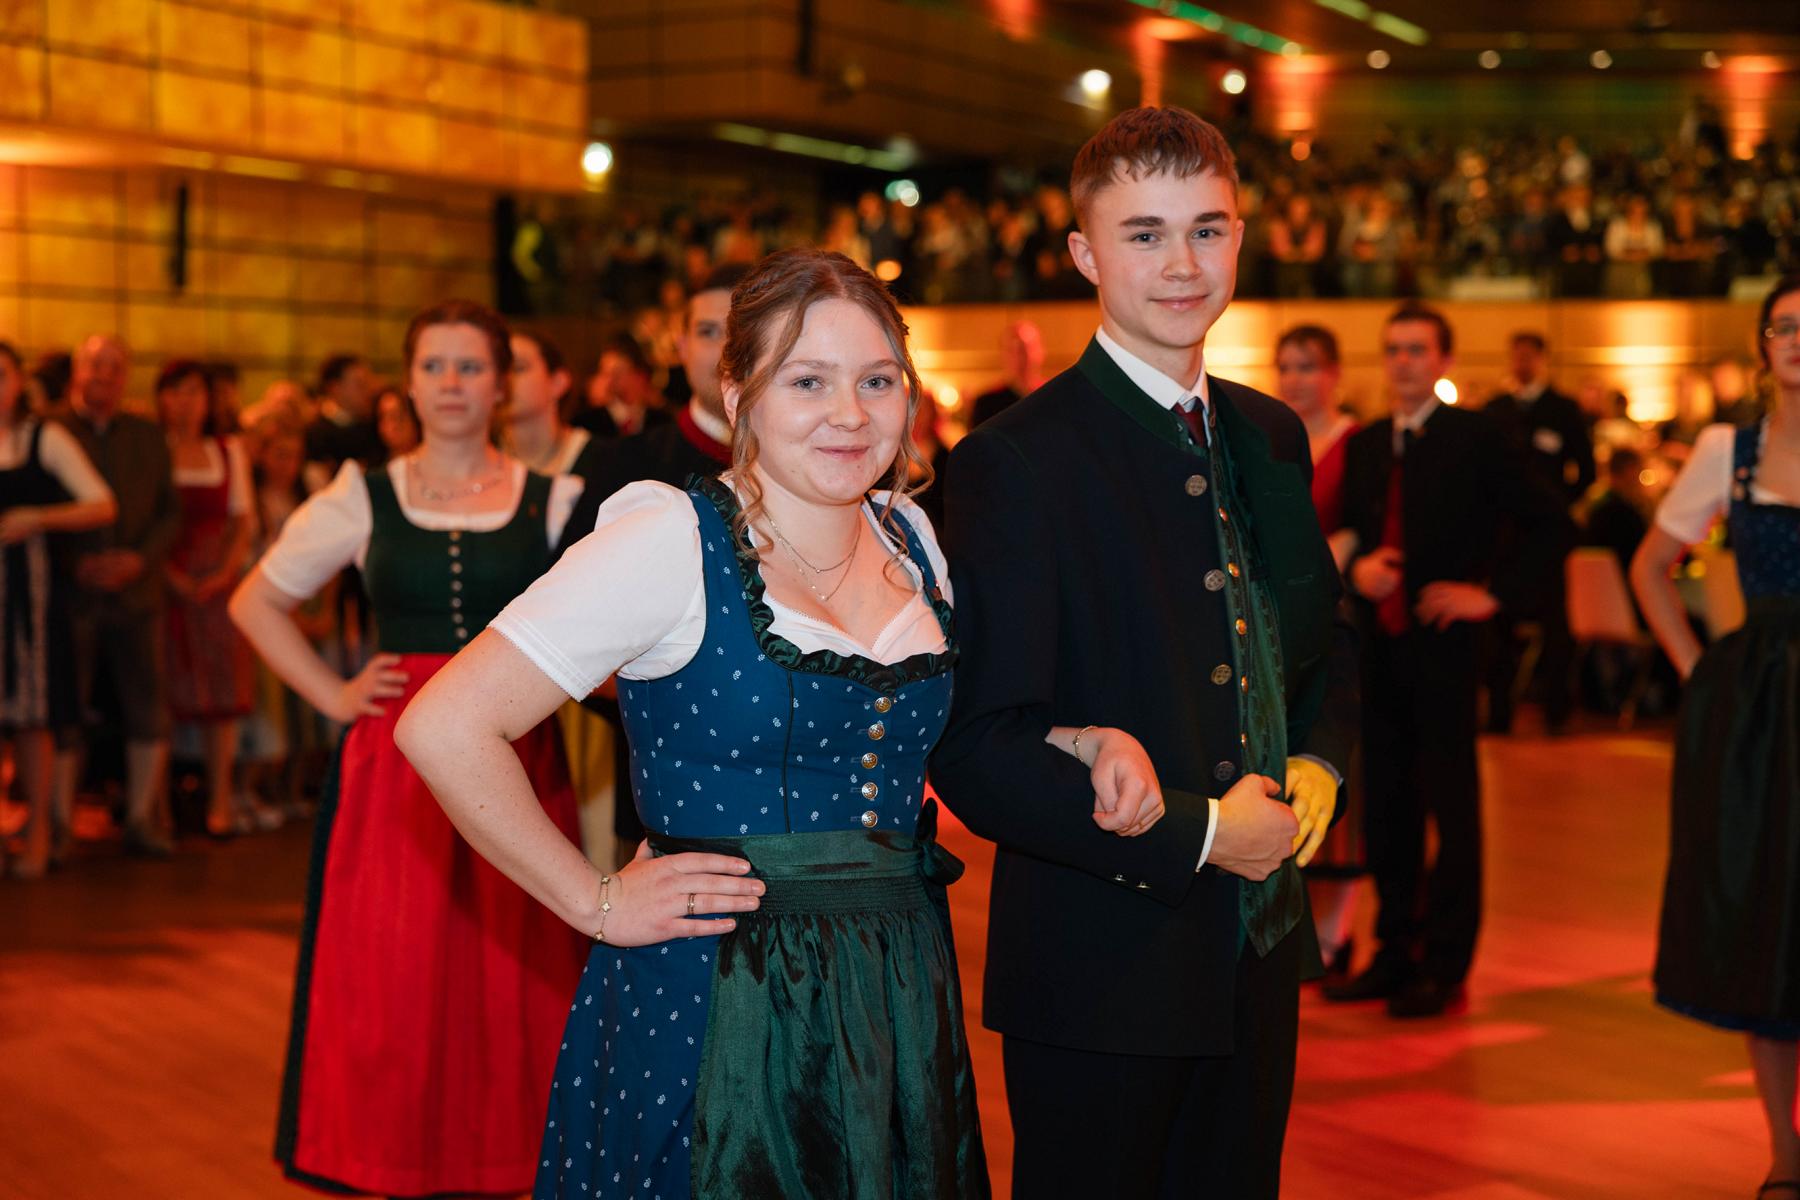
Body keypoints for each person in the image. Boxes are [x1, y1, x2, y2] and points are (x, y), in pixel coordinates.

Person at [395, 248, 988, 1199]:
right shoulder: (669, 537)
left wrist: (1083, 743)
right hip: (718, 991)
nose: (850, 413)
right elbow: (445, 724)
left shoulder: (909, 535)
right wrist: (594, 901)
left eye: (878, 381)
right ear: (738, 392)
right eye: (808, 381)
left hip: (895, 980)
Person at [933, 106, 1356, 1198]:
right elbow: (980, 748)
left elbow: (1320, 637)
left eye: (1207, 230)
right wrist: (1205, 833)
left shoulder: (1270, 432)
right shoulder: (1014, 462)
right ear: (1084, 254)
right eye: (1145, 234)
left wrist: (1320, 756)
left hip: (1258, 956)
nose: (1182, 264)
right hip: (1100, 967)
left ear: (1241, 238)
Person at [229, 300, 589, 1197]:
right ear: (410, 382)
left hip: (515, 747)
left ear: (501, 384)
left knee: (522, 962)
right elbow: (254, 601)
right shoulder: (363, 494)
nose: (452, 384)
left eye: (471, 366)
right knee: (397, 967)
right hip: (397, 759)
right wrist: (335, 695)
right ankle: (391, 1155)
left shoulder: (556, 499)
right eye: (434, 366)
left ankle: (516, 1155)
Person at [1327, 304, 1567, 1018]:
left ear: (1443, 361)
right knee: (1388, 806)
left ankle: (1445, 962)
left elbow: (1552, 523)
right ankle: (1393, 951)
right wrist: (1358, 570)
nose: (1403, 362)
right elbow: (1352, 533)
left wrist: (1490, 596)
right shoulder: (1369, 443)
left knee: (1451, 809)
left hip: (1448, 651)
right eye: (1393, 350)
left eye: (1416, 350)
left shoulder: (1477, 437)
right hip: (1380, 650)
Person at [1630, 276, 1800, 1200]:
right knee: (1767, 919)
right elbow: (1652, 567)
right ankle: (1786, 1149)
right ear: (1763, 343)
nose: (1798, 339)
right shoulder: (1728, 450)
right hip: (1763, 711)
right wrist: (1699, 671)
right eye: (1785, 326)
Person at [555, 264, 748, 866]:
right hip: (657, 784)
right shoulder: (627, 463)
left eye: (744, 329)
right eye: (709, 331)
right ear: (680, 345)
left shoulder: (816, 463)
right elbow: (564, 620)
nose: (726, 348)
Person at [52, 334, 181, 858]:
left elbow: (170, 512)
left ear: (126, 377)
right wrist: (74, 563)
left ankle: (142, 819)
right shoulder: (52, 430)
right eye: (94, 364)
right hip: (70, 595)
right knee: (64, 711)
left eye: (114, 366)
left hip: (137, 594)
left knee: (148, 706)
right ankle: (58, 824)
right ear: (76, 371)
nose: (103, 375)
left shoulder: (147, 435)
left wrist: (138, 560)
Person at [0, 341, 116, 878]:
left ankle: (41, 835)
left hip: (28, 596)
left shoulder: (42, 437)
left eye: (2, 375)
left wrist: (38, 519)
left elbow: (102, 503)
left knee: (32, 716)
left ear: (19, 381)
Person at [1274, 323, 1364, 978]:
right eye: (1286, 367)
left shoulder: (1355, 443)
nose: (1295, 379)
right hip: (1281, 618)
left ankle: (1340, 928)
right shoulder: (1269, 436)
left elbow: (1361, 526)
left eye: (1307, 366)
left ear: (1333, 372)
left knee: (1336, 755)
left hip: (1339, 609)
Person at [156, 360, 257, 838]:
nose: (186, 402)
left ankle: (220, 801)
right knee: (162, 689)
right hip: (164, 579)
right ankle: (158, 806)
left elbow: (243, 520)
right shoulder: (153, 450)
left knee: (223, 690)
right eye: (176, 391)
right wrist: (170, 575)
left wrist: (224, 574)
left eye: (195, 392)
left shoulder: (227, 450)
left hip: (217, 581)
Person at [1483, 331, 1595, 735]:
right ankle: (1498, 713)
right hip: (1504, 533)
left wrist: (1559, 504)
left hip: (1548, 532)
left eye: (1529, 356)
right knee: (1497, 622)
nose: (1522, 363)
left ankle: (1556, 711)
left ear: (1542, 359)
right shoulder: (1497, 409)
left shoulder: (1562, 409)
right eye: (1517, 356)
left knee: (1555, 624)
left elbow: (1586, 469)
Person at [507, 330, 593, 477]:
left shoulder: (603, 460)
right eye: (499, 369)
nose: (505, 379)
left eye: (518, 368)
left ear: (558, 382)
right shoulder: (477, 460)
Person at [571, 334, 669, 440]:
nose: (610, 380)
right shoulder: (586, 423)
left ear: (639, 375)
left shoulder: (661, 422)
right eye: (606, 373)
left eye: (618, 372)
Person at [302, 353, 380, 482]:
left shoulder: (376, 428)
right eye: (359, 384)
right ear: (335, 388)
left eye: (368, 383)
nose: (368, 390)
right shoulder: (316, 434)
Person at [969, 319, 1047, 429]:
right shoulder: (987, 403)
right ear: (1003, 354)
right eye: (1012, 350)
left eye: (1025, 349)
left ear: (1041, 351)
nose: (1020, 357)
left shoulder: (1052, 397)